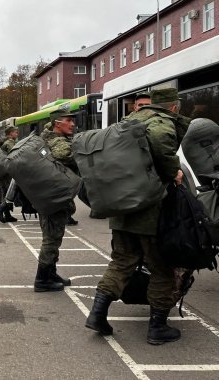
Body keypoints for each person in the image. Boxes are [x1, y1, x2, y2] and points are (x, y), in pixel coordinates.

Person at [85, 88, 190, 345]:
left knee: (121, 262)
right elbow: (164, 151)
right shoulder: (161, 123)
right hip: (149, 211)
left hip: (122, 209)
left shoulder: (126, 123)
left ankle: (97, 313)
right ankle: (157, 327)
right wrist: (173, 172)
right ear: (174, 107)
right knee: (162, 269)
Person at [33, 110, 77, 292]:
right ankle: (42, 279)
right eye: (69, 121)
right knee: (51, 240)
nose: (73, 124)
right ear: (57, 124)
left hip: (51, 196)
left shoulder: (47, 138)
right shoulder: (56, 142)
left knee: (54, 238)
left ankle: (51, 273)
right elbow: (69, 155)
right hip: (53, 198)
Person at [0, 126, 19, 223]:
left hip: (3, 170)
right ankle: (0, 210)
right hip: (7, 171)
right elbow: (15, 155)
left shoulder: (5, 142)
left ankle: (7, 214)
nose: (17, 134)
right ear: (10, 133)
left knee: (5, 192)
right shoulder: (9, 143)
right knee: (11, 193)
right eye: (16, 132)